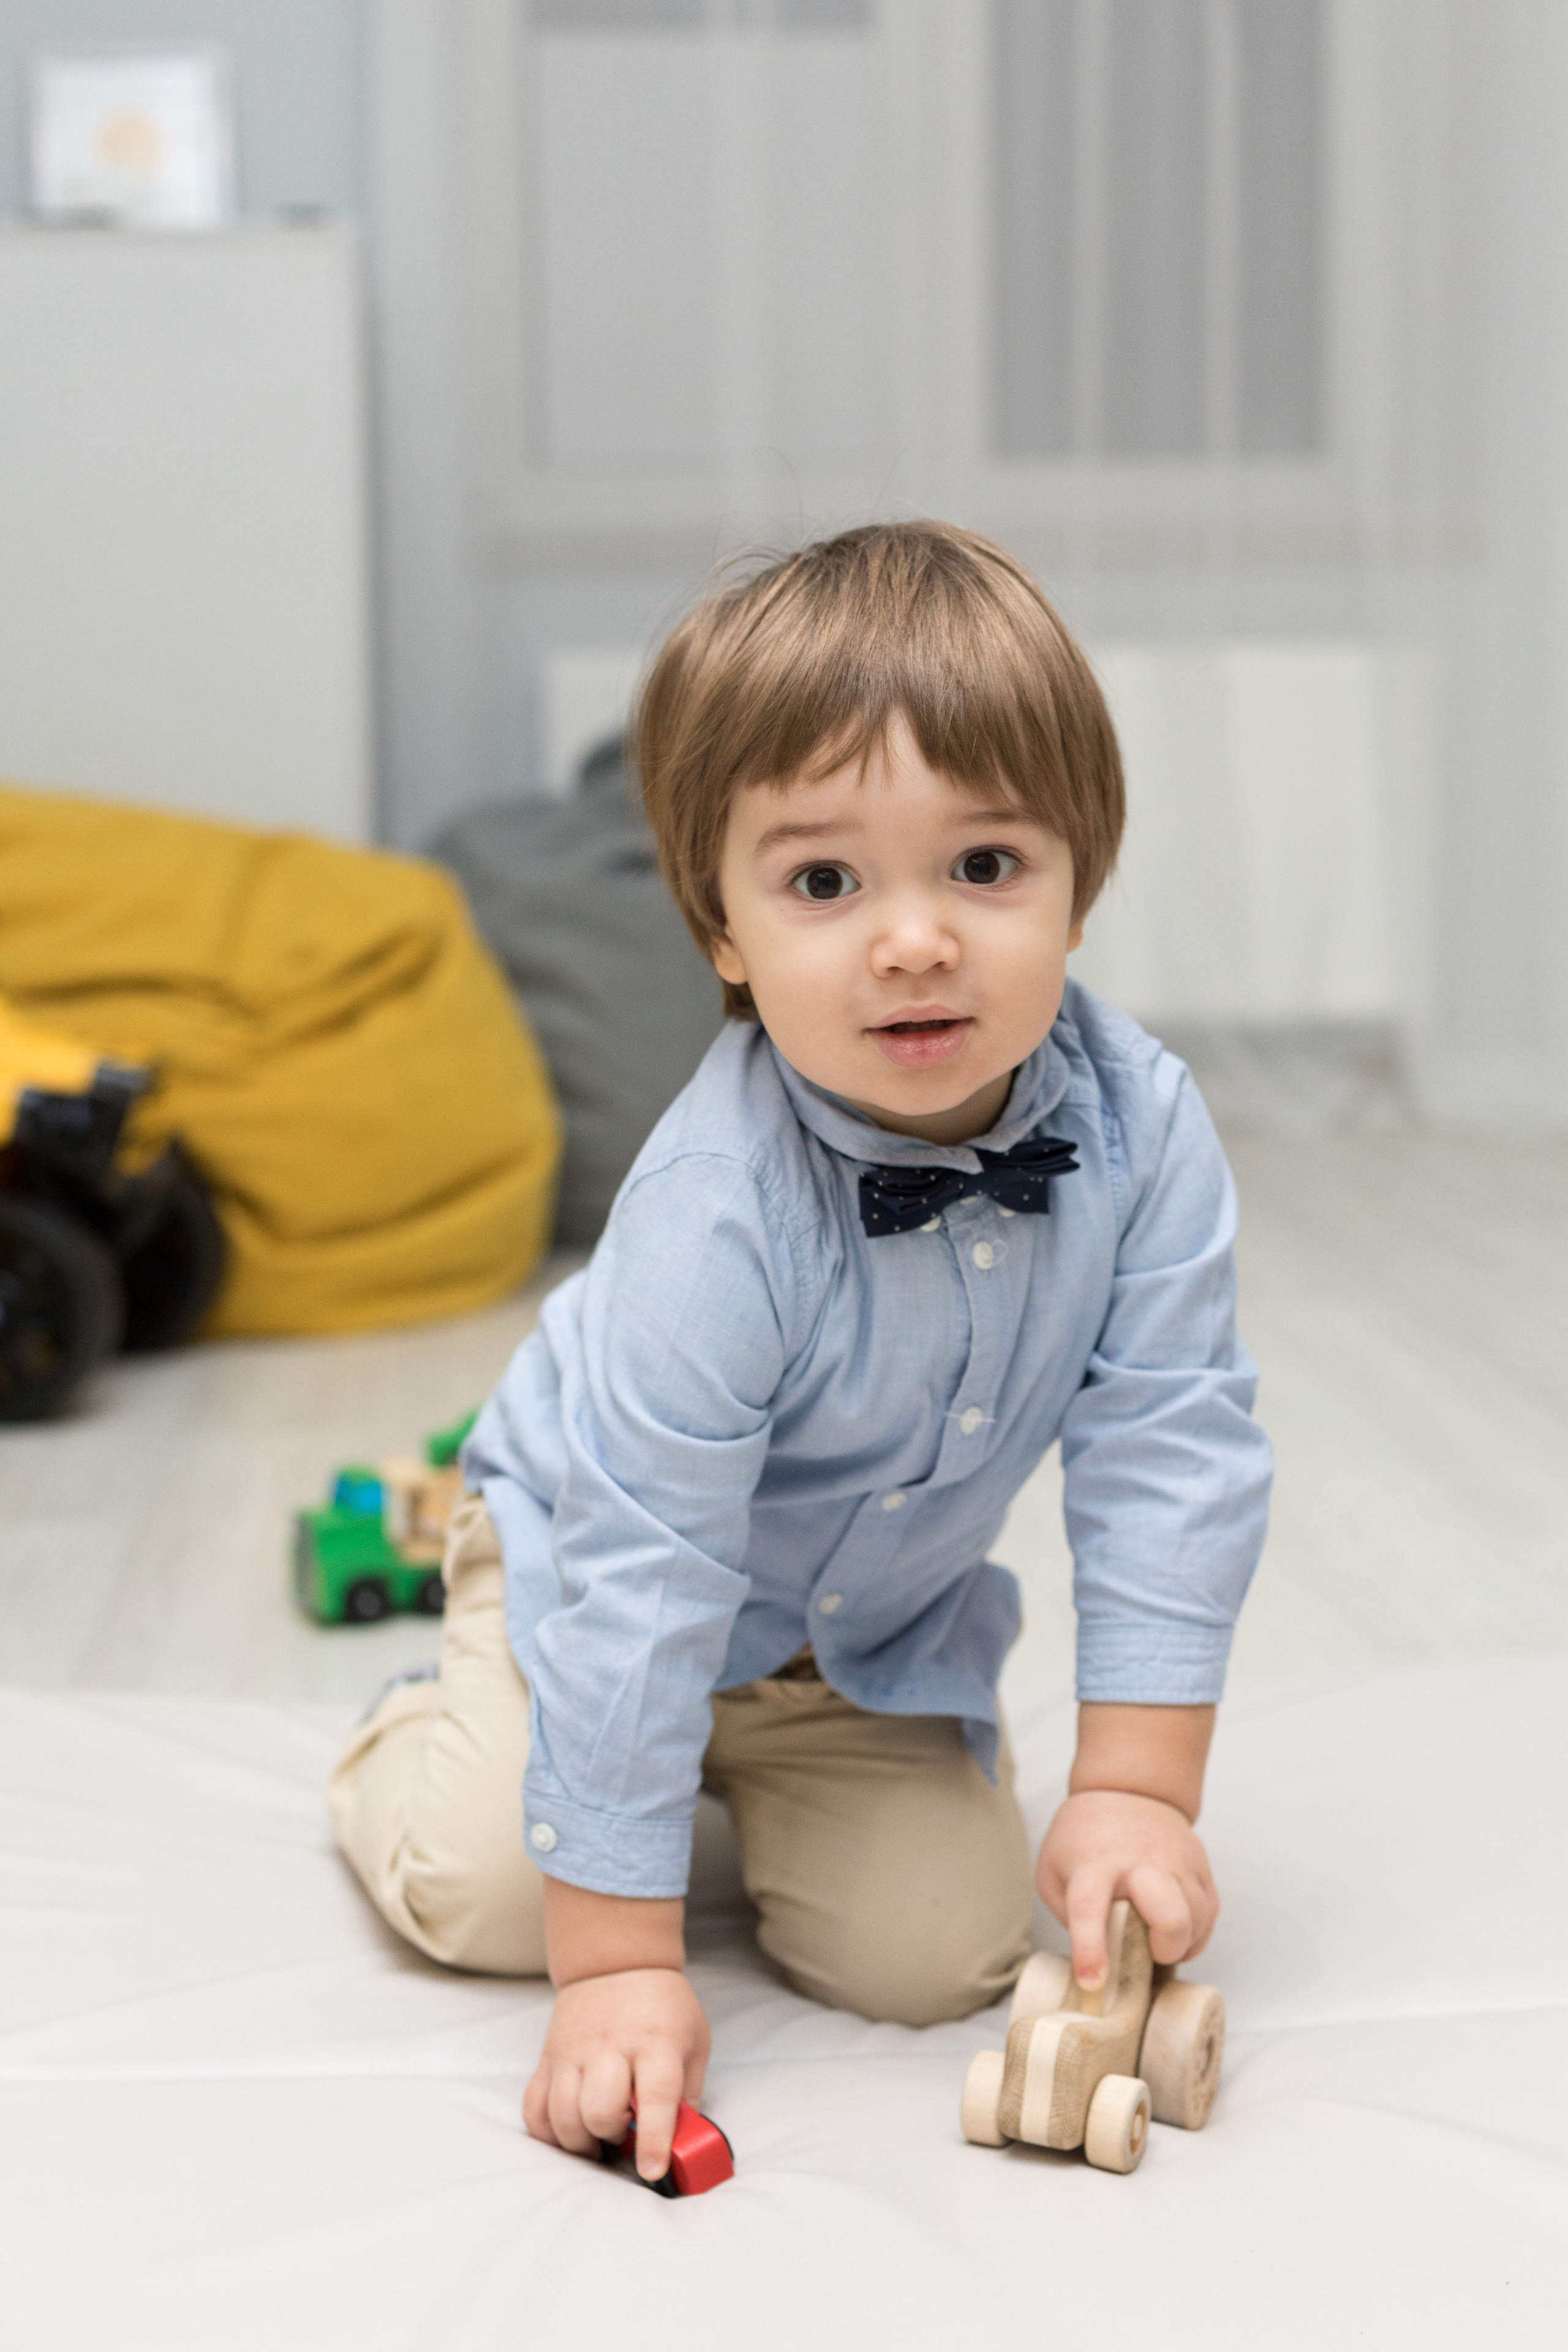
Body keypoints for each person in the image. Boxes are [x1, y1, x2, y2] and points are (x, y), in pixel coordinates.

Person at [328, 520, 1272, 2185]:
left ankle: (713, 1782)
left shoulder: (1150, 1131)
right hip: (594, 1572)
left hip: (861, 1639)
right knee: (486, 1901)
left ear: (1078, 878)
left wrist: (1138, 1788)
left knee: (943, 1959)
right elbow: (646, 1555)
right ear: (722, 927)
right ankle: (439, 1715)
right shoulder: (719, 1212)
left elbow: (1171, 1444)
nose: (914, 940)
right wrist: (617, 1961)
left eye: (984, 868)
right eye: (826, 882)